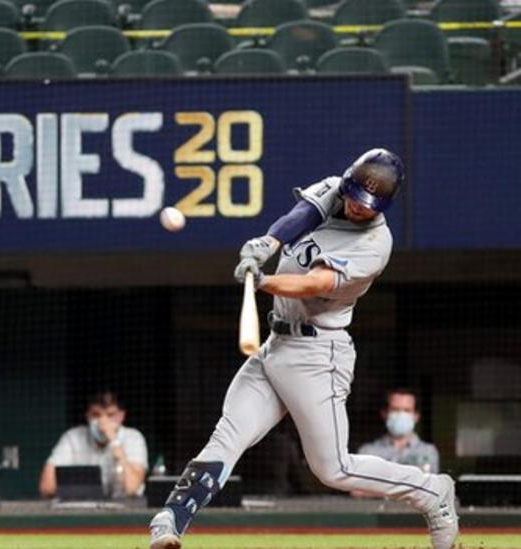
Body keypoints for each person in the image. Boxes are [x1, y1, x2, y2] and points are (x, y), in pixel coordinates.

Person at [148, 149, 458, 549]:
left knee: (334, 469)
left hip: (318, 355)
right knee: (229, 435)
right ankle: (170, 519)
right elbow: (302, 216)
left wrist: (262, 281)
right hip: (275, 344)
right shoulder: (337, 189)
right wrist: (267, 242)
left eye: (368, 206)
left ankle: (432, 492)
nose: (357, 208)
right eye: (353, 198)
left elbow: (315, 283)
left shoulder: (375, 244)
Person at [39, 390, 148, 498]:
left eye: (110, 415)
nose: (102, 422)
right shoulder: (72, 438)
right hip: (84, 509)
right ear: (87, 415)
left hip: (126, 511)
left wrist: (114, 442)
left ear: (122, 415)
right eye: (96, 415)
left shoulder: (134, 438)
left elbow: (131, 488)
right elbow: (46, 487)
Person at [358, 389, 440, 474]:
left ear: (416, 416)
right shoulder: (368, 453)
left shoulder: (428, 452)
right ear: (384, 413)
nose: (401, 414)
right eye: (395, 409)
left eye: (407, 410)